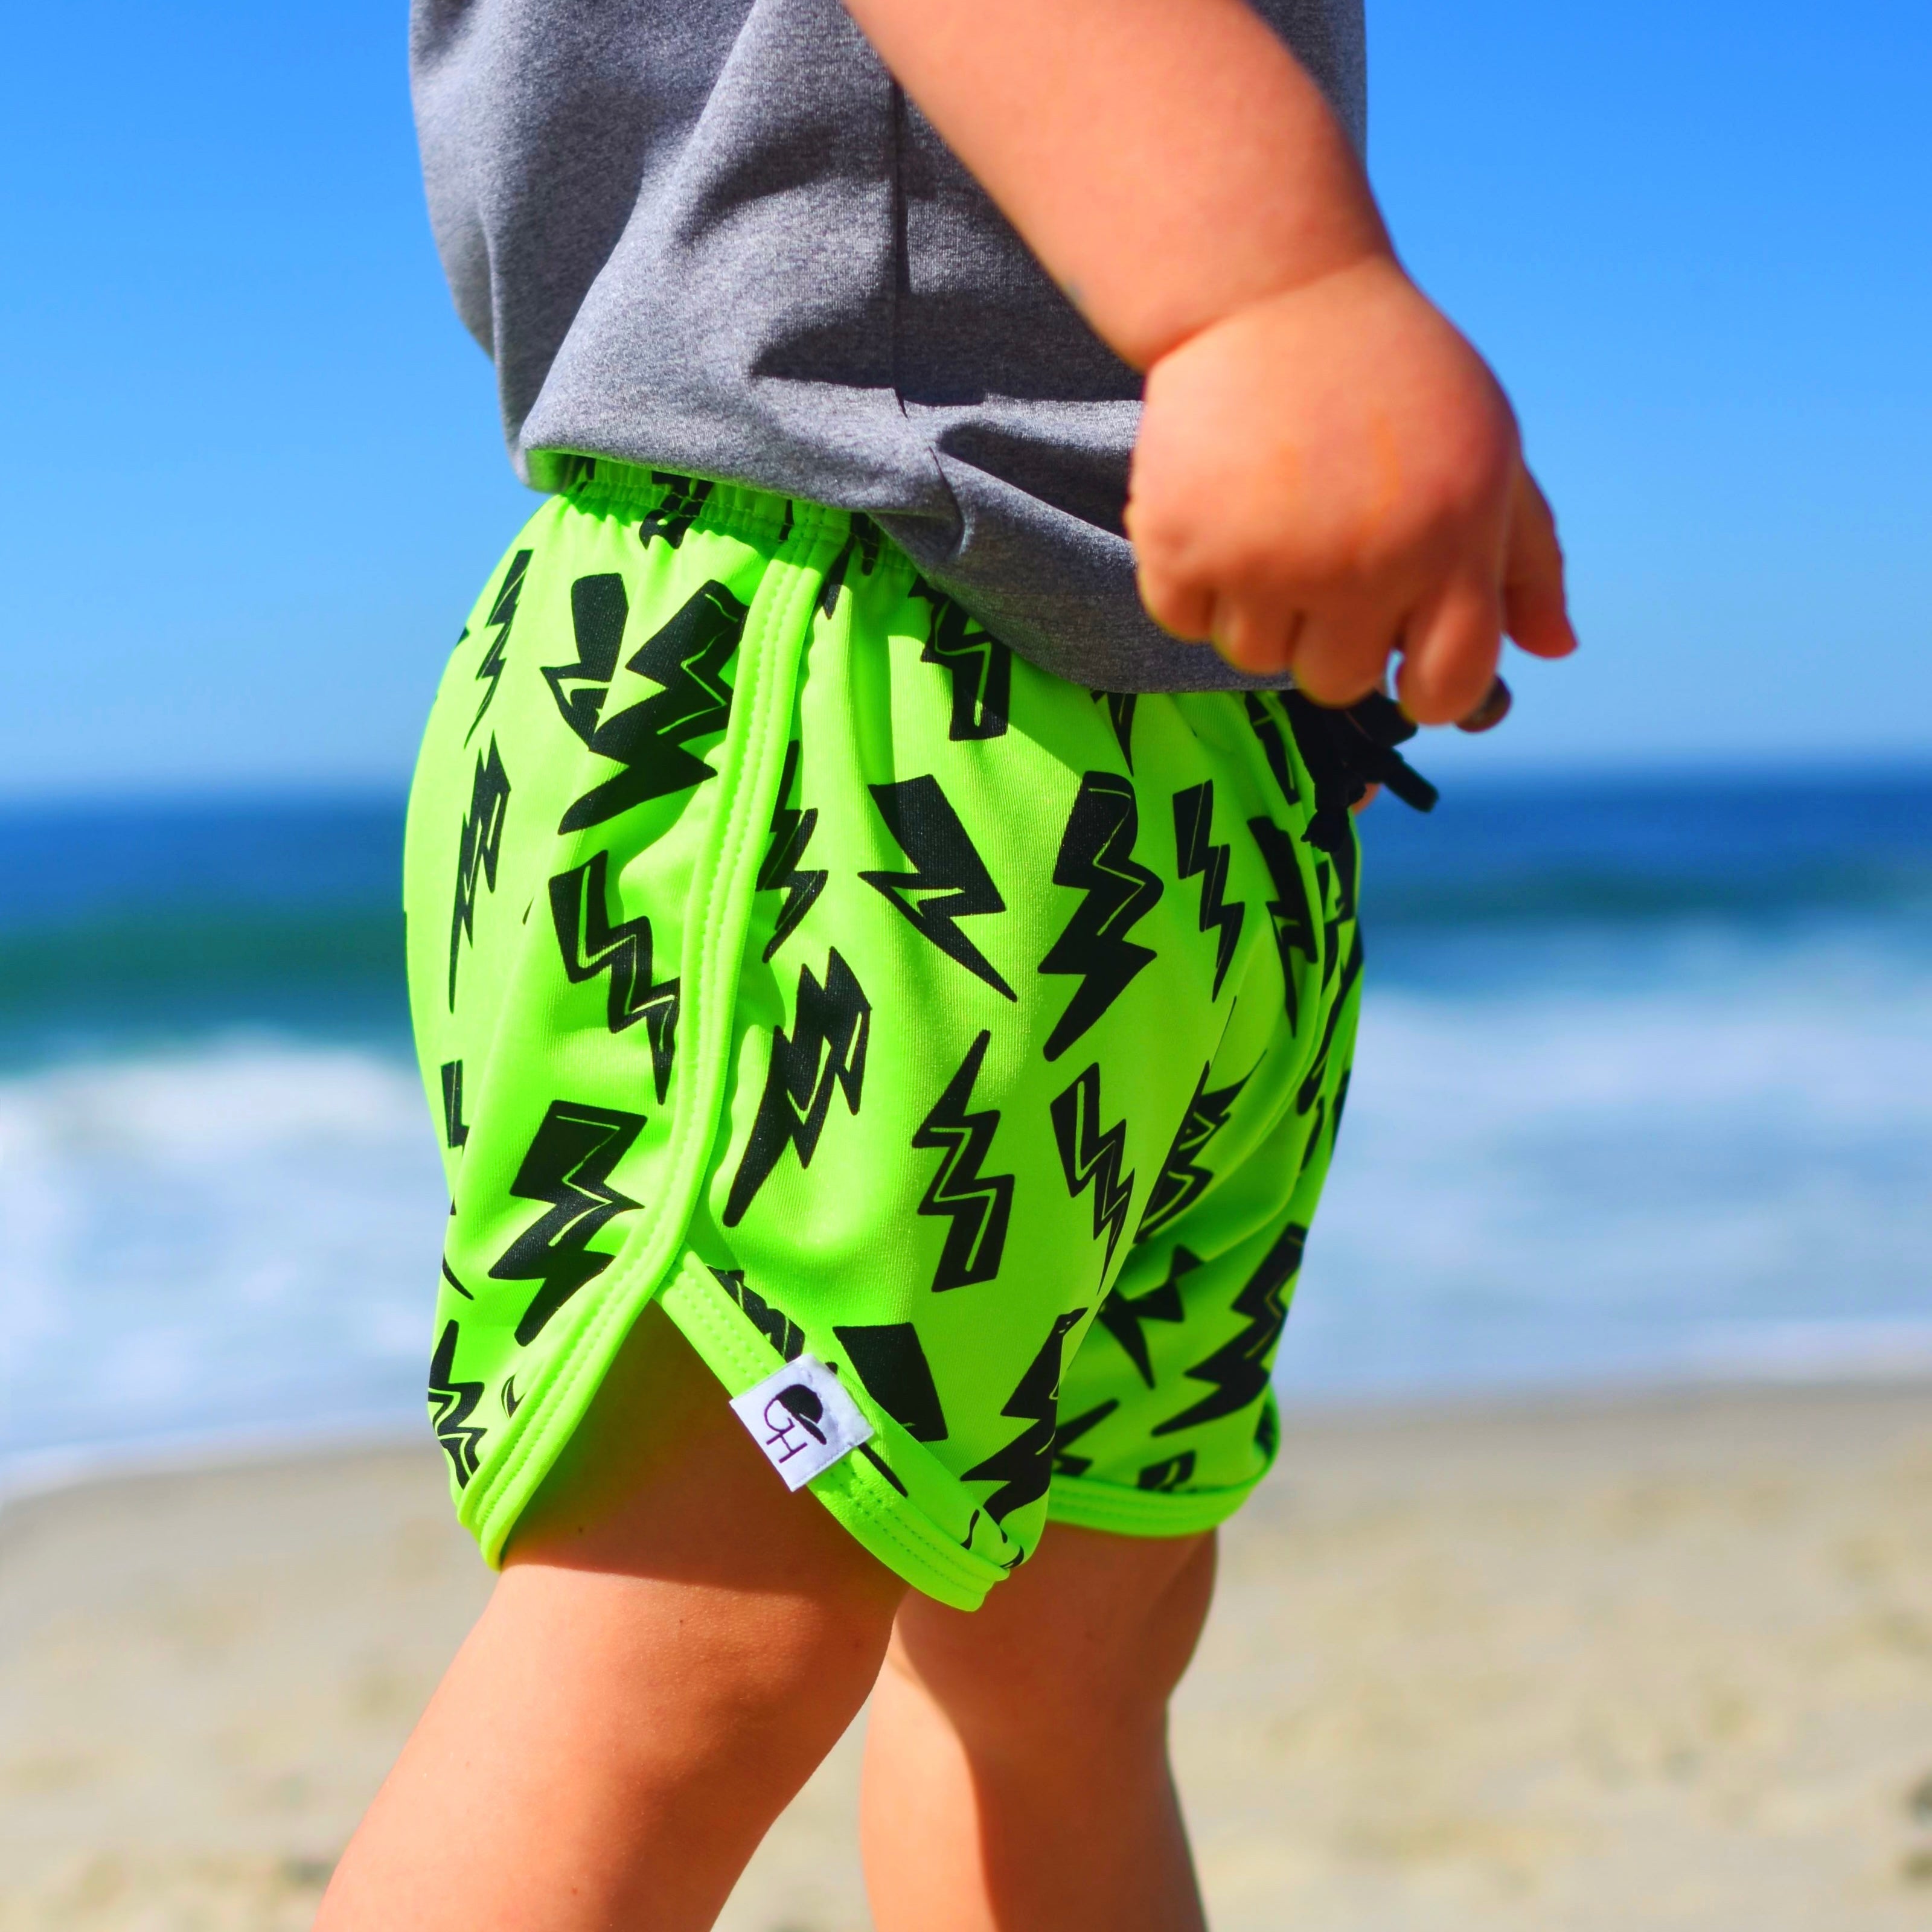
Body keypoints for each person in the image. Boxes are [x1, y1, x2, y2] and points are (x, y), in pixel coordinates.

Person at [318, 0, 1575, 1924]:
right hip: (852, 664)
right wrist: (1275, 297)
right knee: (692, 1641)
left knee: (1067, 1648)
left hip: (1181, 741)